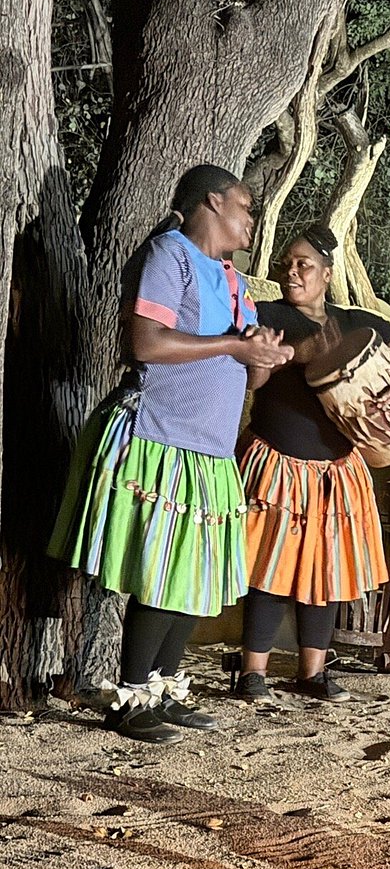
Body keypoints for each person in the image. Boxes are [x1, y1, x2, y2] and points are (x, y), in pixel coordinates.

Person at [49, 165, 293, 743]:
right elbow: (146, 344)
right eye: (246, 205)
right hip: (158, 436)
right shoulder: (170, 255)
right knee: (162, 575)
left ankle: (161, 686)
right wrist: (237, 343)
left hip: (208, 447)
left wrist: (263, 359)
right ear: (212, 202)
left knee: (195, 576)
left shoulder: (234, 280)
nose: (252, 219)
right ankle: (128, 697)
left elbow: (249, 378)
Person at [235, 225, 390, 703]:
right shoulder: (266, 316)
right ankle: (252, 674)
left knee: (324, 573)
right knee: (269, 570)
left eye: (304, 264)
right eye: (287, 263)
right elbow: (254, 381)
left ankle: (313, 673)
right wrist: (276, 354)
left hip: (336, 469)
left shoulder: (354, 320)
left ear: (327, 273)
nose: (292, 271)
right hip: (278, 462)